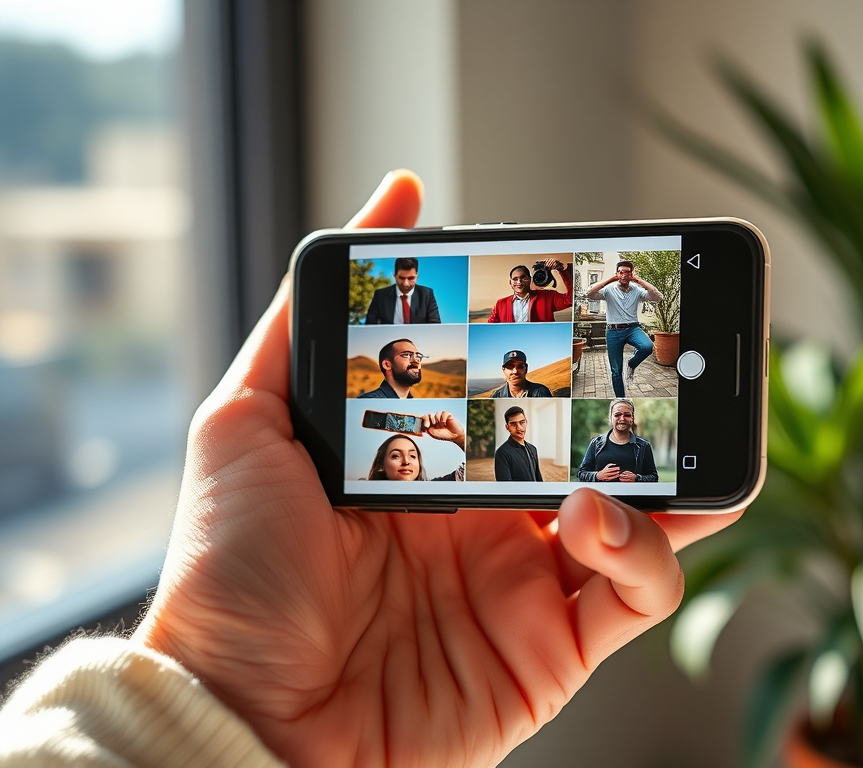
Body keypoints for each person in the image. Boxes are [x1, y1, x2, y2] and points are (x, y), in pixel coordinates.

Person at [0, 170, 743, 767]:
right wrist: (227, 695)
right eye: (405, 354)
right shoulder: (445, 366)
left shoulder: (555, 386)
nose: (414, 354)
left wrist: (227, 713)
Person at [585, 260, 663, 397]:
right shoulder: (609, 290)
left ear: (631, 274)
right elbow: (590, 293)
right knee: (616, 370)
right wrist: (611, 278)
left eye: (628, 272)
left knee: (647, 347)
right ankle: (620, 398)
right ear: (617, 273)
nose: (624, 275)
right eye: (621, 272)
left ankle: (631, 364)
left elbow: (657, 296)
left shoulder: (637, 290)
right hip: (613, 332)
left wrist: (638, 280)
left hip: (633, 328)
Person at [367, 412, 466, 481]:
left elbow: (466, 475)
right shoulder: (364, 495)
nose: (406, 462)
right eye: (395, 456)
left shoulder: (434, 488)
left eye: (412, 456)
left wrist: (460, 438)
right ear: (381, 465)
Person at [577, 398, 659, 482]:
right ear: (610, 418)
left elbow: (653, 477)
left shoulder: (643, 445)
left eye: (627, 415)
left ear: (632, 419)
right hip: (600, 494)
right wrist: (597, 476)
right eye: (617, 415)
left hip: (632, 494)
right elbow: (581, 473)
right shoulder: (596, 443)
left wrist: (637, 478)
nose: (622, 419)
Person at [488, 259, 573, 322]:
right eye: (515, 279)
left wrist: (562, 270)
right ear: (510, 283)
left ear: (530, 280)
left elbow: (570, 299)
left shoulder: (547, 297)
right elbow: (490, 328)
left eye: (523, 278)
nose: (519, 282)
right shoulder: (501, 304)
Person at [364, 256, 441, 324]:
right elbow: (370, 325)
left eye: (411, 278)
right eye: (401, 278)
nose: (405, 284)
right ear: (394, 276)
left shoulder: (427, 294)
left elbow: (435, 325)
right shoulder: (380, 296)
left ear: (417, 276)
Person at [358, 338, 424, 398]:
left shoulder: (414, 403)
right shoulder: (369, 400)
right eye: (406, 355)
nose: (416, 360)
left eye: (417, 356)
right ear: (387, 365)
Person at [493, 406, 542, 481]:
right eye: (513, 424)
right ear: (507, 427)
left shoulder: (533, 449)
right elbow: (504, 487)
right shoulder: (502, 453)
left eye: (522, 422)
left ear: (526, 422)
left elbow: (538, 478)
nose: (519, 428)